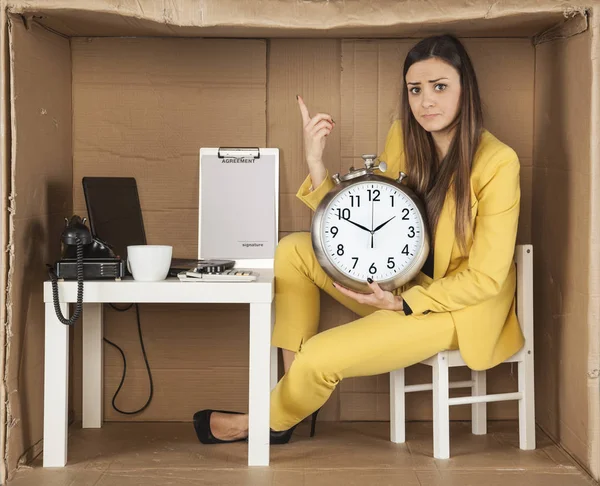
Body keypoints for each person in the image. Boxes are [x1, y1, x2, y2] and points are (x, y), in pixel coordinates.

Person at [193, 33, 524, 445]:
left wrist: (404, 303)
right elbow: (361, 223)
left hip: (453, 311)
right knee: (293, 249)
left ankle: (266, 419)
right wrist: (315, 160)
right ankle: (293, 399)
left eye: (440, 87)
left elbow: (486, 279)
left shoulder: (497, 162)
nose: (426, 102)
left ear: (465, 90)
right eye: (415, 90)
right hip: (397, 283)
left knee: (319, 357)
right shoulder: (404, 139)